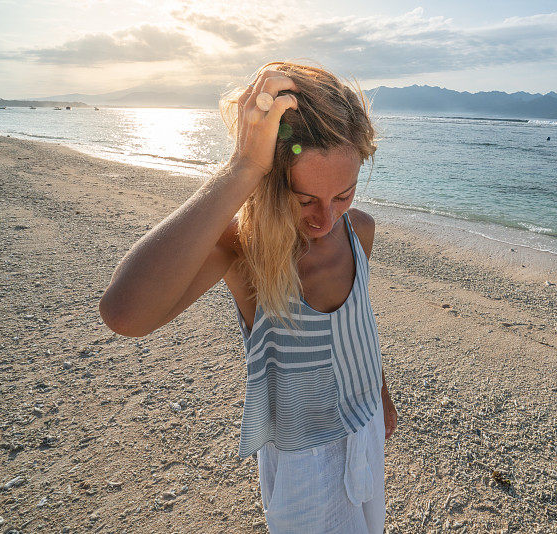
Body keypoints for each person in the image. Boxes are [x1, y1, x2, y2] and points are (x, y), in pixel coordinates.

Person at [99, 61, 398, 533]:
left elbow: (359, 323)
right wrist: (244, 165)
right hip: (302, 456)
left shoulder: (358, 230)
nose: (326, 219)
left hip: (362, 427)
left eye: (344, 193)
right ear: (270, 182)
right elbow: (124, 313)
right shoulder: (246, 251)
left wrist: (381, 392)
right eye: (305, 200)